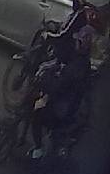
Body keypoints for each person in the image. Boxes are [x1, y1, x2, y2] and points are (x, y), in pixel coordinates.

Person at [29, 24, 97, 160]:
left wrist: (44, 80)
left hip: (62, 110)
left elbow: (57, 86)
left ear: (81, 43)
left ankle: (38, 149)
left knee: (36, 112)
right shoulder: (82, 60)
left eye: (77, 40)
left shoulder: (77, 67)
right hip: (69, 105)